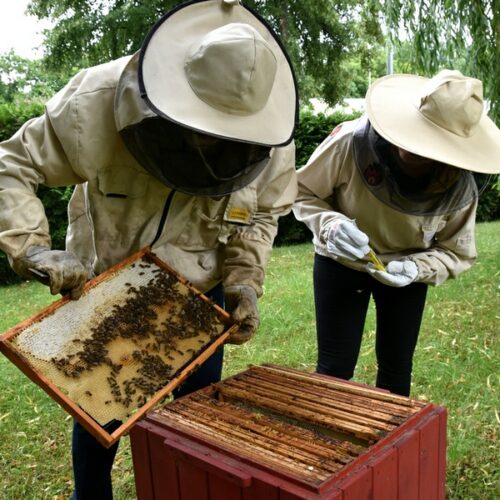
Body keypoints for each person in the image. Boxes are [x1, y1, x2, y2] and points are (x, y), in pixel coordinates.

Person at [0, 0, 298, 498]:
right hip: (111, 288)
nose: (207, 147)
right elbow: (12, 165)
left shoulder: (271, 138)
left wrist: (245, 283)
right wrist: (32, 248)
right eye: (197, 133)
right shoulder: (94, 99)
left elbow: (260, 216)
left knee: (200, 417)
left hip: (201, 291)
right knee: (100, 406)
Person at [293, 69, 500, 397]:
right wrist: (329, 225)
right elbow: (301, 190)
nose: (416, 148)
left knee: (396, 366)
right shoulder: (349, 141)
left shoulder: (460, 187)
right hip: (340, 264)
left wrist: (419, 268)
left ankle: (391, 447)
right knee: (334, 367)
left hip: (406, 275)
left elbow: (458, 252)